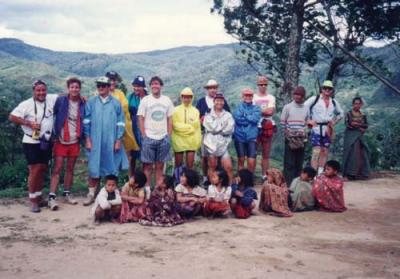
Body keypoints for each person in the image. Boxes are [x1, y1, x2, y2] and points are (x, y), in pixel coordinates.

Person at [9, 80, 58, 213]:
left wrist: (80, 96)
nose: (41, 93)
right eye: (38, 90)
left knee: (42, 168)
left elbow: (66, 95)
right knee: (34, 170)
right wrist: (28, 123)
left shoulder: (51, 99)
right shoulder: (26, 104)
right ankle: (33, 201)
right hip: (31, 141)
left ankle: (39, 196)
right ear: (33, 91)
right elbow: (12, 116)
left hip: (46, 141)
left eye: (43, 90)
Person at [83, 77, 128, 206]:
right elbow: (86, 121)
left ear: (109, 87)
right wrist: (87, 139)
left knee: (111, 167)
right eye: (99, 85)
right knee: (94, 166)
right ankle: (91, 194)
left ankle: (111, 194)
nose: (101, 88)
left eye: (103, 85)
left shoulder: (115, 103)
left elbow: (121, 123)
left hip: (111, 140)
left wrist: (118, 140)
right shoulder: (91, 102)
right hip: (95, 140)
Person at [48, 77, 85, 210]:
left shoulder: (82, 103)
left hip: (75, 139)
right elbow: (52, 113)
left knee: (70, 168)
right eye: (72, 87)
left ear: (79, 89)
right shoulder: (61, 100)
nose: (74, 89)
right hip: (61, 139)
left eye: (77, 87)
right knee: (57, 168)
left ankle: (66, 193)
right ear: (68, 88)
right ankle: (52, 196)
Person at [137, 76, 174, 197]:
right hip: (149, 137)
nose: (154, 86)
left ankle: (158, 190)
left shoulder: (167, 100)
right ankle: (147, 190)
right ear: (150, 86)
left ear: (161, 86)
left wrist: (168, 135)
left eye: (157, 83)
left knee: (160, 166)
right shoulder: (145, 100)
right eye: (152, 84)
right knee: (147, 166)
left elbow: (170, 119)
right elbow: (140, 118)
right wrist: (144, 135)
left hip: (163, 138)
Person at [305, 80, 344, 174]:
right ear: (321, 89)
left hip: (327, 129)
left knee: (324, 151)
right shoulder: (315, 99)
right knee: (316, 152)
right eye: (325, 88)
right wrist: (308, 121)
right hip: (316, 128)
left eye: (329, 88)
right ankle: (313, 174)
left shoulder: (333, 102)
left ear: (332, 90)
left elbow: (341, 114)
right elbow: (303, 108)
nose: (327, 90)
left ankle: (320, 173)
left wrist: (333, 122)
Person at [196, 79, 230, 184]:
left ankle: (218, 179)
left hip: (219, 135)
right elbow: (196, 116)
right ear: (207, 89)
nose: (213, 90)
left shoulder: (222, 101)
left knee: (218, 157)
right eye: (211, 88)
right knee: (204, 157)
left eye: (215, 88)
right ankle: (206, 177)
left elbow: (228, 116)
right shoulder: (201, 101)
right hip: (205, 134)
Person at [106, 71, 139, 176]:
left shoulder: (120, 93)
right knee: (108, 157)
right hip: (107, 131)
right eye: (110, 79)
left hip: (122, 131)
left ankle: (130, 182)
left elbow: (124, 108)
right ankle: (107, 183)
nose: (112, 82)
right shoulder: (100, 93)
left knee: (128, 156)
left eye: (114, 80)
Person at [202, 93, 235, 184]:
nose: (219, 102)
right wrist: (222, 127)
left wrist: (217, 129)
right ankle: (213, 187)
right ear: (214, 101)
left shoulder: (228, 115)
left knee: (228, 167)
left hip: (223, 144)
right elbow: (211, 127)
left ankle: (229, 187)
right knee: (212, 166)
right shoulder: (208, 114)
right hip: (211, 144)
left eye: (221, 100)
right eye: (217, 100)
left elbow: (230, 129)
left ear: (223, 102)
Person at [280, 86, 309, 185]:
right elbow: (283, 122)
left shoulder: (306, 108)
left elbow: (307, 122)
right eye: (295, 94)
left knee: (299, 162)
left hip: (301, 139)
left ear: (303, 96)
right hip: (290, 138)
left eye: (299, 95)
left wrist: (304, 131)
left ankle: (297, 183)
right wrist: (287, 133)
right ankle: (288, 184)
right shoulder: (288, 107)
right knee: (289, 162)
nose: (297, 97)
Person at [171, 87, 201, 170]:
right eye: (184, 97)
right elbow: (175, 125)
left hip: (191, 141)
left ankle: (189, 182)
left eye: (189, 97)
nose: (186, 99)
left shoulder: (195, 111)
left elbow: (195, 127)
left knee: (190, 165)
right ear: (181, 97)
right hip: (178, 140)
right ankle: (177, 181)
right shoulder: (175, 110)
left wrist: (184, 129)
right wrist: (188, 127)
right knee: (178, 165)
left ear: (191, 98)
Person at [253, 76, 276, 180]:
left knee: (266, 153)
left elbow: (271, 112)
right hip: (255, 127)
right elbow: (254, 112)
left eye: (265, 84)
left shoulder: (271, 97)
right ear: (257, 85)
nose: (263, 86)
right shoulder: (253, 97)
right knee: (253, 153)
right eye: (261, 84)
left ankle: (264, 176)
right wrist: (264, 111)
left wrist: (257, 111)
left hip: (267, 126)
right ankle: (251, 175)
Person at [233, 88, 261, 173]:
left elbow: (255, 119)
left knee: (251, 161)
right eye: (246, 95)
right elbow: (238, 119)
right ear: (242, 96)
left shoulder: (257, 108)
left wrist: (245, 115)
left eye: (250, 95)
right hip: (239, 136)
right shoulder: (238, 108)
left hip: (252, 137)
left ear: (252, 97)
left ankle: (250, 180)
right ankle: (241, 180)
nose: (248, 97)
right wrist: (249, 118)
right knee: (241, 159)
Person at [342, 97, 370, 180]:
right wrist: (359, 126)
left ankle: (361, 173)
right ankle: (349, 174)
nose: (357, 105)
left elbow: (366, 125)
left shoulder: (363, 115)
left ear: (361, 104)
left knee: (364, 152)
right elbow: (349, 124)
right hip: (350, 137)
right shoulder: (349, 114)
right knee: (351, 154)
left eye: (359, 103)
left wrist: (358, 125)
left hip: (360, 137)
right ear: (353, 104)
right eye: (355, 103)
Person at [127, 75, 148, 172]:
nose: (136, 88)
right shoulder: (130, 98)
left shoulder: (149, 98)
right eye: (134, 86)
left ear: (143, 87)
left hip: (146, 130)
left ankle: (144, 180)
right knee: (132, 156)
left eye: (138, 86)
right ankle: (131, 178)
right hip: (133, 130)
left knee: (145, 157)